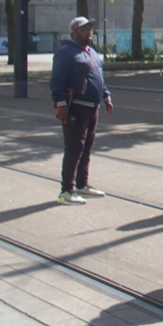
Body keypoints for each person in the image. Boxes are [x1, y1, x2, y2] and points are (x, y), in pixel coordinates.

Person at [51, 17, 113, 205]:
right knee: (74, 148)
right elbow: (57, 79)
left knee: (86, 148)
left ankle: (82, 185)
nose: (89, 32)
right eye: (85, 29)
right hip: (76, 107)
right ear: (74, 32)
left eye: (90, 29)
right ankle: (66, 190)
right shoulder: (66, 52)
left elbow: (99, 77)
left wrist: (106, 96)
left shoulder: (92, 52)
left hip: (92, 107)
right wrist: (61, 104)